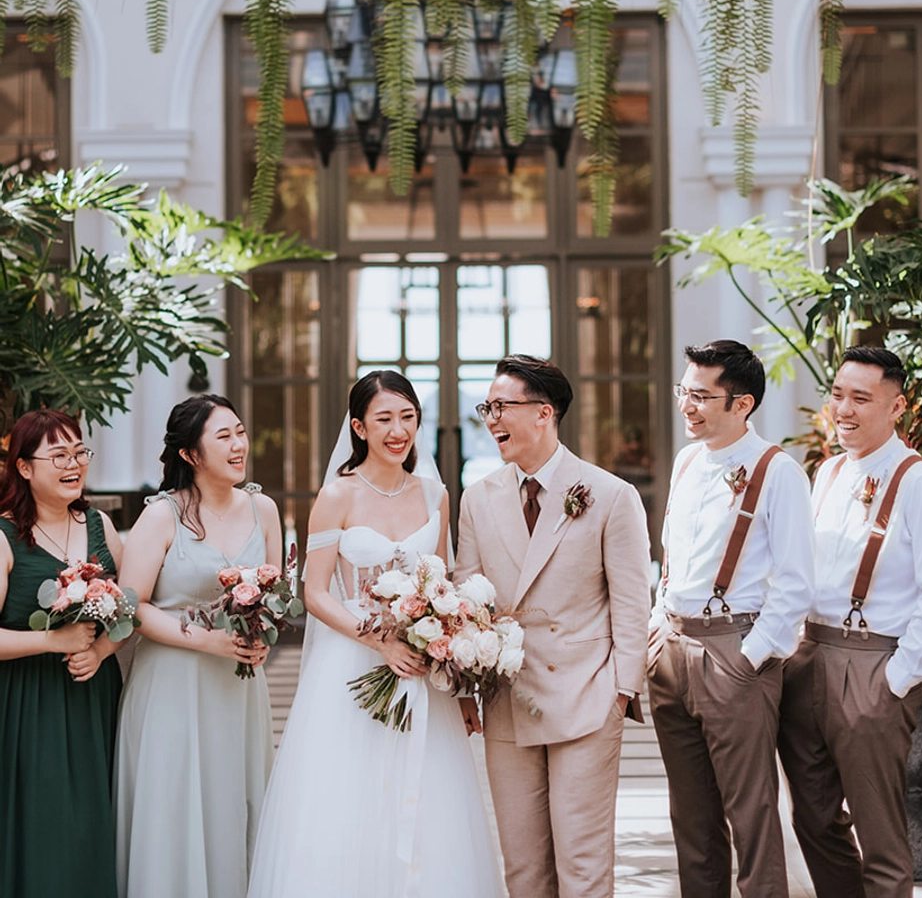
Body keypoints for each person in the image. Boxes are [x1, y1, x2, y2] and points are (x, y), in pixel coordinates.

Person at [247, 370, 503, 898]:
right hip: (350, 663)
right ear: (359, 428)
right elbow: (315, 593)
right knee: (349, 796)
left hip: (421, 668)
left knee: (428, 795)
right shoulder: (336, 496)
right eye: (384, 419)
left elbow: (442, 584)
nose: (398, 430)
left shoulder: (435, 496)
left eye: (408, 417)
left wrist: (454, 672)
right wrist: (378, 640)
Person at [454, 353, 650, 898]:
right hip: (506, 700)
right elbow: (468, 599)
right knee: (523, 866)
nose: (491, 419)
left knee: (582, 866)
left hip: (586, 698)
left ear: (544, 413)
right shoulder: (478, 498)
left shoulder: (610, 494)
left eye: (502, 407)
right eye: (487, 408)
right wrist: (465, 687)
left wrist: (622, 692)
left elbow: (632, 601)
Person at [778, 346, 922, 898]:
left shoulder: (921, 483)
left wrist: (898, 679)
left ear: (897, 406)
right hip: (810, 655)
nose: (844, 409)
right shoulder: (828, 472)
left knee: (880, 836)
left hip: (873, 665)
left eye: (861, 398)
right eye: (838, 395)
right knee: (812, 819)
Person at [648, 339, 814, 898]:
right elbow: (674, 557)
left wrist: (750, 657)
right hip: (672, 650)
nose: (686, 405)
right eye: (684, 391)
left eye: (701, 396)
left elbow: (796, 582)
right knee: (691, 817)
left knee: (752, 814)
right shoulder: (686, 460)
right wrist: (658, 623)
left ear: (742, 404)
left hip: (734, 653)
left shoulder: (778, 471)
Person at [114, 394, 282, 898]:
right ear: (190, 454)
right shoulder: (162, 516)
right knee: (175, 807)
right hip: (172, 683)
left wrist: (261, 637)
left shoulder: (264, 508)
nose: (238, 445)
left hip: (238, 687)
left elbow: (273, 594)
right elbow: (133, 607)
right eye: (223, 437)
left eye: (240, 432)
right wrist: (209, 640)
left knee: (235, 800)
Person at [0, 409, 124, 898]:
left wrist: (102, 651)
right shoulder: (5, 537)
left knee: (95, 821)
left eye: (79, 452)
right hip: (29, 703)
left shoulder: (100, 525)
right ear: (24, 467)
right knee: (44, 826)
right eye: (59, 455)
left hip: (94, 696)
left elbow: (131, 610)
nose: (74, 464)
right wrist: (52, 641)